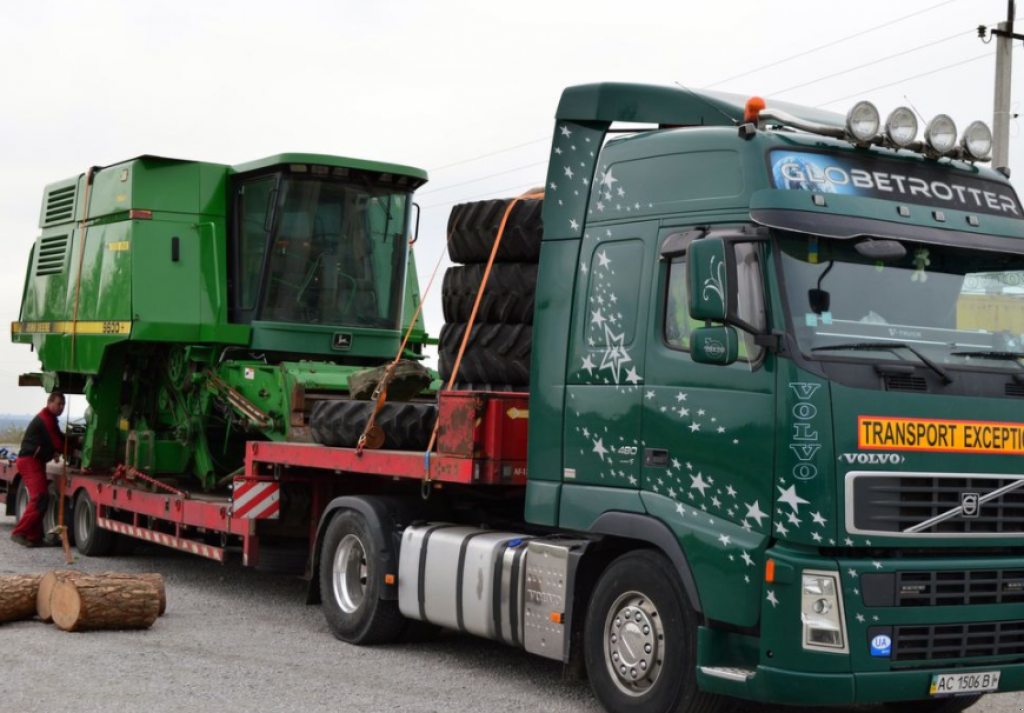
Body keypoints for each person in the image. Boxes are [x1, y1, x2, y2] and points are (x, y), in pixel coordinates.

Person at [10, 391, 65, 547]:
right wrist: (70, 446)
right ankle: (19, 532)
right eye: (59, 403)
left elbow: (57, 438)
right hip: (29, 461)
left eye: (63, 405)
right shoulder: (46, 419)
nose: (61, 407)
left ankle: (34, 536)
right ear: (50, 402)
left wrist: (66, 443)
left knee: (43, 498)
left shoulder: (51, 419)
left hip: (36, 461)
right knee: (39, 497)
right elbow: (58, 442)